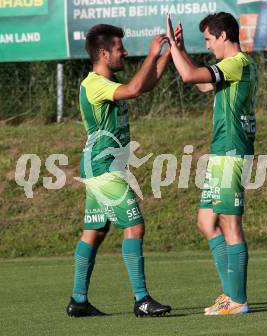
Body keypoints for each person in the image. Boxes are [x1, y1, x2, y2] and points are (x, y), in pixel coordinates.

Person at [66, 24, 172, 318]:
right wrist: (152, 55)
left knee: (95, 232)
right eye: (119, 48)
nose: (124, 52)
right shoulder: (95, 84)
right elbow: (136, 88)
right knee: (134, 226)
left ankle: (78, 300)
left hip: (101, 167)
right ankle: (141, 299)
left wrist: (168, 52)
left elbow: (145, 84)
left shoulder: (107, 80)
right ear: (103, 53)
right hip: (104, 169)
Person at [166, 12, 257, 315]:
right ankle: (228, 295)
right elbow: (204, 84)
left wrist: (175, 50)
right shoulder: (229, 67)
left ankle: (238, 301)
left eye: (208, 38)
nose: (208, 45)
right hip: (220, 152)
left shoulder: (236, 64)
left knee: (230, 222)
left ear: (222, 36)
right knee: (207, 222)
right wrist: (179, 50)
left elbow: (191, 76)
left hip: (231, 151)